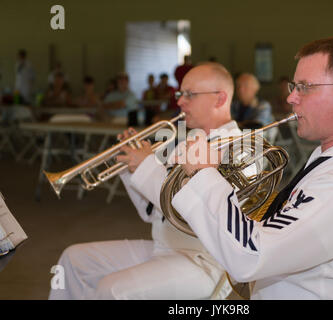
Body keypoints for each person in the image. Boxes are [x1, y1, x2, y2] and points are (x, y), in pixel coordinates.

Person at [170, 35, 333, 299]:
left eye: (305, 87)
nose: (292, 98)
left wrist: (205, 174)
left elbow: (251, 257)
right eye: (294, 87)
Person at [48, 62, 242, 300]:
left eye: (189, 95)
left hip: (203, 260)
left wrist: (147, 166)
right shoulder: (187, 142)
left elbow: (190, 212)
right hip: (164, 247)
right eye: (180, 94)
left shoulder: (239, 149)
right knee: (73, 260)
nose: (179, 102)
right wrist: (130, 166)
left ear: (220, 99)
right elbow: (152, 213)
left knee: (112, 290)